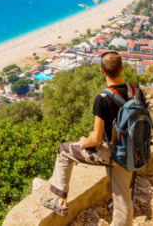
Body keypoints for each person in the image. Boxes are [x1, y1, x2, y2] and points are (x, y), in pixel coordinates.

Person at [41, 51, 146, 226]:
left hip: (111, 153)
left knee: (63, 150)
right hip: (133, 152)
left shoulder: (103, 98)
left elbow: (96, 139)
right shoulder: (136, 91)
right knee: (123, 202)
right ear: (122, 69)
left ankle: (60, 201)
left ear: (102, 71)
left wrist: (84, 142)